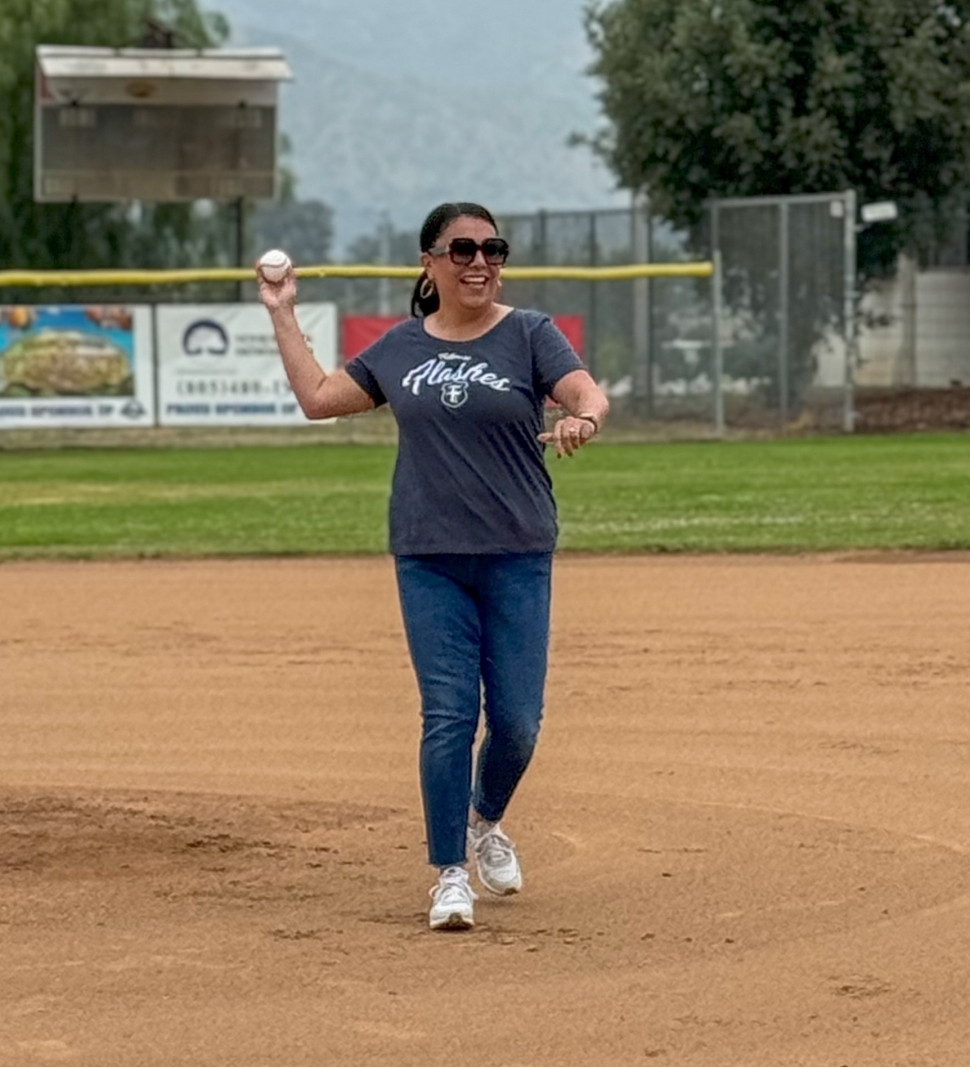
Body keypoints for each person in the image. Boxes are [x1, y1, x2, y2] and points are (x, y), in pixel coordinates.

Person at [257, 201, 609, 931]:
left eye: (492, 248)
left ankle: (485, 820)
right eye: (461, 249)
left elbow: (584, 389)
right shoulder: (400, 347)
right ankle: (450, 872)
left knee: (516, 722)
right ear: (429, 262)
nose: (479, 261)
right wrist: (282, 312)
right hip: (429, 556)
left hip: (516, 551)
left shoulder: (529, 334)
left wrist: (583, 418)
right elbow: (320, 399)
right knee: (449, 714)